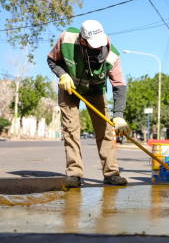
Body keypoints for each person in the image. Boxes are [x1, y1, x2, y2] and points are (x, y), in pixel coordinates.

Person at [47, 20, 130, 187]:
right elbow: (51, 60)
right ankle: (74, 174)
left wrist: (119, 115)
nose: (99, 48)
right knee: (71, 130)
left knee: (106, 130)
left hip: (95, 90)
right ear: (83, 40)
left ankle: (111, 174)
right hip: (70, 88)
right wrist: (62, 75)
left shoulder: (112, 56)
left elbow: (119, 84)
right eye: (93, 45)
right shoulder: (67, 39)